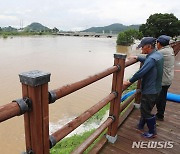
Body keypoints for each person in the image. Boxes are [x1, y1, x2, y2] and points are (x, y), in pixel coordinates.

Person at [123, 37, 164, 138]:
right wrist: (137, 57)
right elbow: (147, 58)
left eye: (142, 47)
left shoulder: (152, 59)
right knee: (145, 108)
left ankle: (152, 132)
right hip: (156, 88)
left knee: (146, 110)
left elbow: (141, 73)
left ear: (148, 46)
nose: (142, 49)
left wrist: (129, 81)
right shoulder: (157, 54)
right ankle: (141, 125)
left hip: (150, 90)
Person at [155, 35, 175, 121]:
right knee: (162, 97)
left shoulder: (162, 52)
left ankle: (160, 115)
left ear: (159, 43)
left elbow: (150, 57)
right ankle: (160, 114)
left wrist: (137, 56)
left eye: (157, 43)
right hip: (168, 78)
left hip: (164, 80)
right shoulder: (169, 49)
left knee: (159, 99)